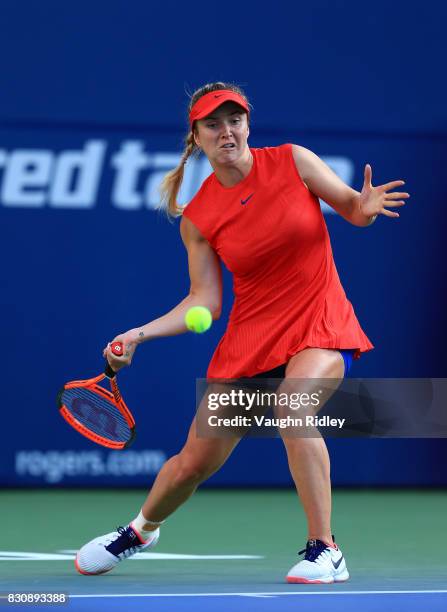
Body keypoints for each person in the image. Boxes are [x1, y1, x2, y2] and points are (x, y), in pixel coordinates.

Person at [75, 82, 409, 582]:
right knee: (191, 463)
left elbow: (354, 211)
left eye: (235, 120)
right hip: (251, 341)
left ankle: (326, 549)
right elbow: (203, 303)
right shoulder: (199, 217)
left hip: (320, 321)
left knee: (293, 405)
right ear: (197, 137)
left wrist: (365, 205)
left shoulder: (294, 161)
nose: (226, 131)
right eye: (213, 123)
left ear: (248, 125)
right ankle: (140, 530)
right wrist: (139, 334)